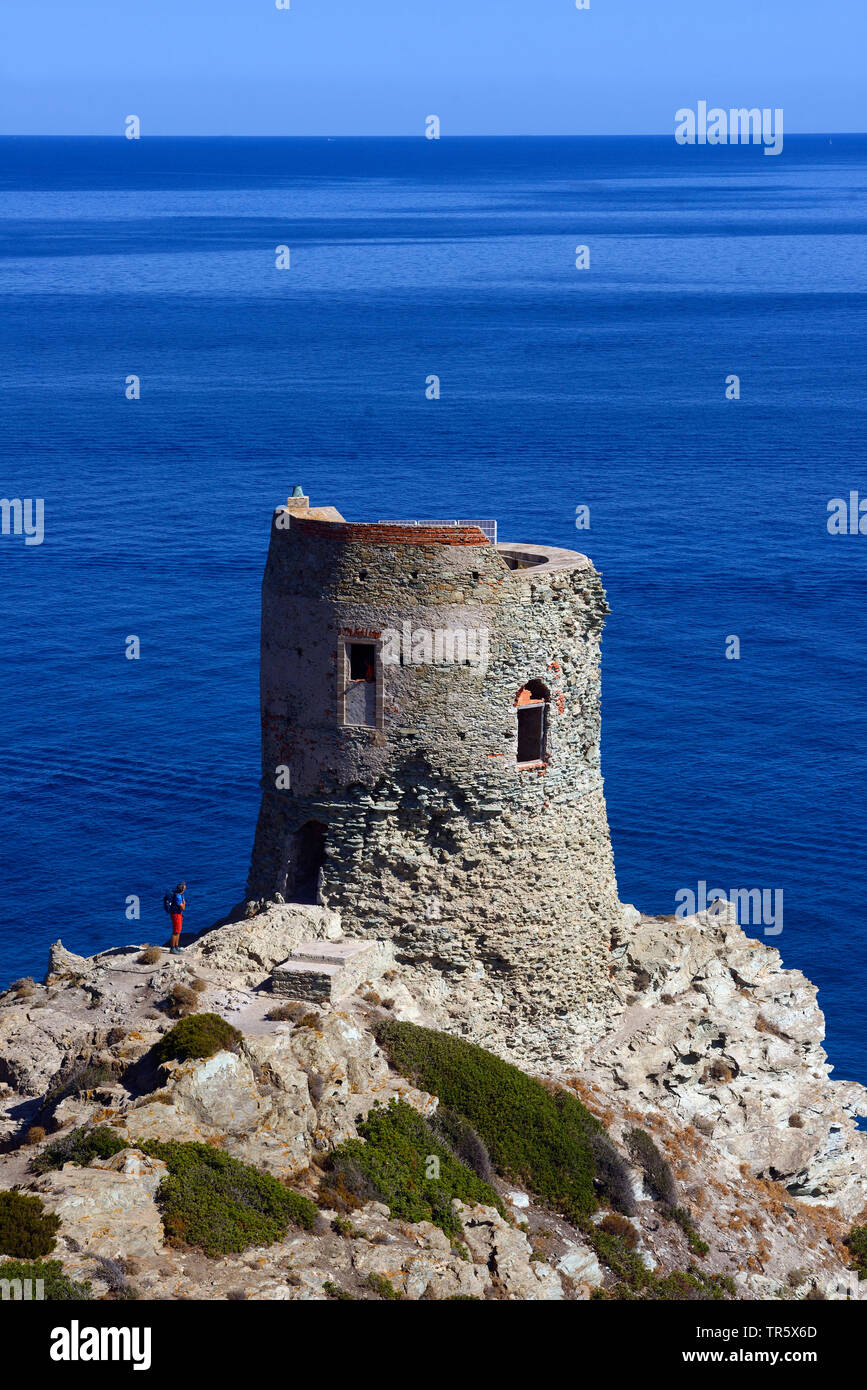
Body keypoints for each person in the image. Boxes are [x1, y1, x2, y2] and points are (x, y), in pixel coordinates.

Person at [169, 882, 186, 954]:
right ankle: (172, 948)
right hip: (176, 915)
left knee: (178, 931)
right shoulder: (178, 897)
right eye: (184, 887)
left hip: (178, 914)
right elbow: (183, 908)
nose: (185, 888)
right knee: (175, 932)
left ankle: (176, 946)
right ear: (182, 889)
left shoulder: (179, 894)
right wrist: (184, 903)